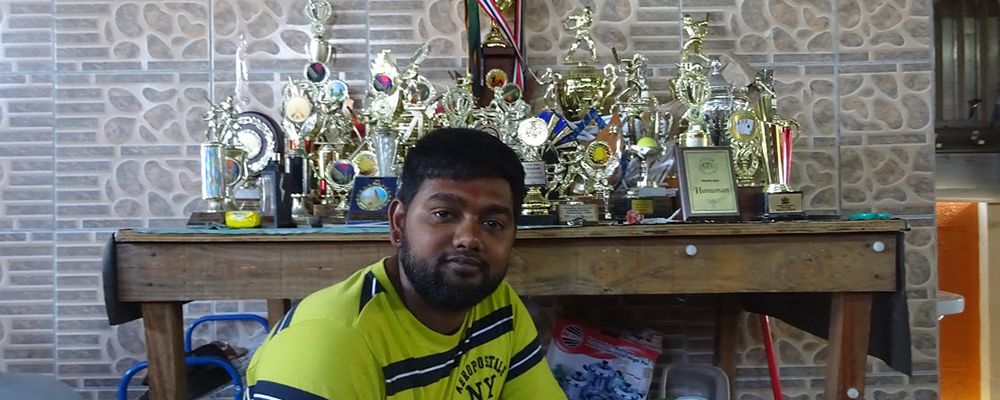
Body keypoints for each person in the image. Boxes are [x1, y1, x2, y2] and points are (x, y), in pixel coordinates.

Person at [245, 128, 567, 399]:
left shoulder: (499, 308)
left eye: (493, 223)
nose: (469, 238)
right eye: (444, 214)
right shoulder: (326, 344)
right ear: (398, 223)